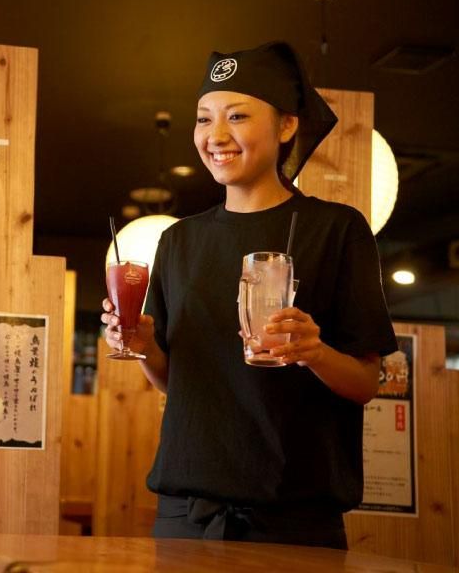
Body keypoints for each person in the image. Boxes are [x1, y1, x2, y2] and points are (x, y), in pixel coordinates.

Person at [102, 41, 397, 549]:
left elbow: (366, 382)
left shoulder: (336, 230)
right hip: (185, 517)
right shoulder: (179, 240)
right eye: (204, 119)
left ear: (286, 126)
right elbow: (178, 384)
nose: (216, 135)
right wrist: (146, 347)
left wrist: (314, 352)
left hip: (295, 522)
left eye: (237, 116)